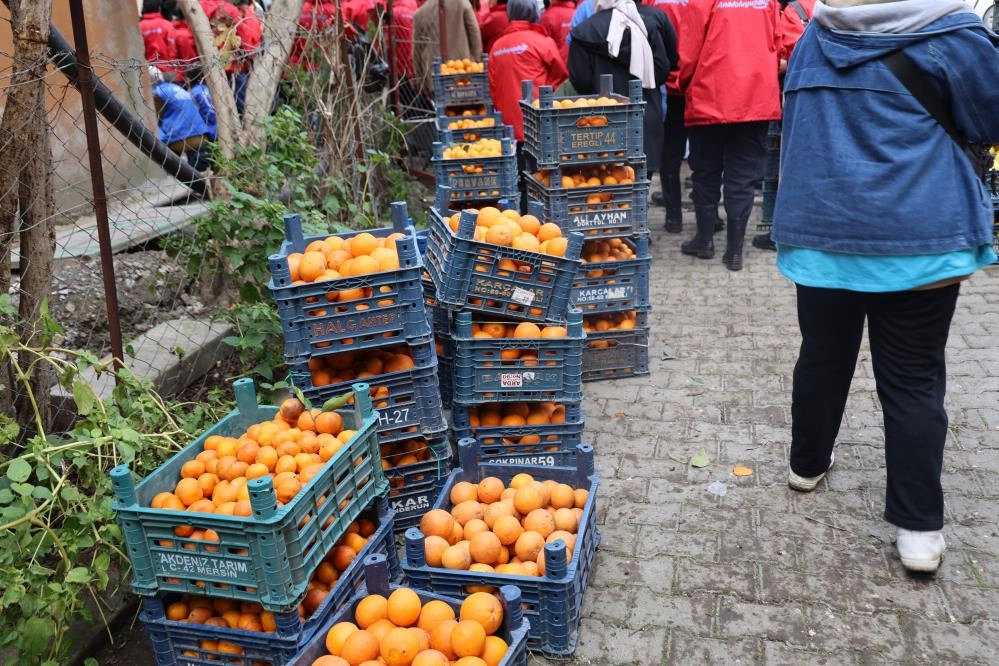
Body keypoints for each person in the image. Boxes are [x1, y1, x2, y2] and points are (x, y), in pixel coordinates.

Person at [771, 0, 999, 574]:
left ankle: (806, 465)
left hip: (825, 236)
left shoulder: (813, 38)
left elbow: (798, 131)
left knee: (822, 357)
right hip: (920, 240)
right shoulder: (958, 35)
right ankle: (918, 530)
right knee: (914, 380)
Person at [677, 0, 781, 271]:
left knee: (706, 170)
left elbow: (688, 50)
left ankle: (705, 240)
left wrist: (687, 84)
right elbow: (776, 42)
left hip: (712, 93)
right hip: (755, 96)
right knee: (743, 175)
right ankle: (735, 251)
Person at [567, 0, 678, 176]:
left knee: (606, 189)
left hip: (601, 125)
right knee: (641, 184)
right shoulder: (648, 25)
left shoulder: (583, 32)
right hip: (644, 118)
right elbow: (663, 70)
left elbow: (580, 79)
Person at [488, 0, 567, 208]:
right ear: (534, 11)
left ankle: (524, 223)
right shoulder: (542, 42)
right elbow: (560, 76)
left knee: (520, 180)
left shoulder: (497, 47)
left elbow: (493, 89)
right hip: (538, 124)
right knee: (544, 178)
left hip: (510, 128)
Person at [751, 0, 815, 251]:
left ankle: (783, 232)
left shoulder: (795, 11)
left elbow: (791, 56)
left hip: (801, 102)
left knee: (789, 169)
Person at [649, 0, 690, 233]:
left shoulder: (653, 2)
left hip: (665, 82)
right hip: (694, 82)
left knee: (670, 156)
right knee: (706, 156)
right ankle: (712, 219)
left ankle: (674, 218)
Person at [413, 0, 483, 97]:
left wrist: (421, 80)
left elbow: (417, 50)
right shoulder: (461, 3)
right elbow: (474, 31)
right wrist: (476, 61)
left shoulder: (420, 13)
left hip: (434, 75)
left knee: (441, 108)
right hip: (462, 69)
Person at [150, 67, 211, 172]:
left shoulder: (157, 93)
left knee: (174, 168)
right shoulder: (175, 87)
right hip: (200, 134)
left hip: (179, 138)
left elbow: (156, 118)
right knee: (199, 172)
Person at [140, 0, 179, 75]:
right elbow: (173, 49)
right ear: (159, 8)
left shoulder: (140, 27)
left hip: (148, 72)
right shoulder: (167, 25)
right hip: (168, 71)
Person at [540, 0, 575, 65]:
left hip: (557, 67)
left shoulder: (546, 17)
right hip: (576, 65)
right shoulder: (578, 13)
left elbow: (542, 47)